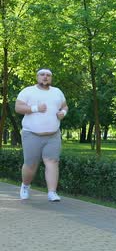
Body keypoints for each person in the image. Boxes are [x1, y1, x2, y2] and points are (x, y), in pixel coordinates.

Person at [14, 69, 68, 202]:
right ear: (37, 77)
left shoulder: (57, 92)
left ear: (51, 78)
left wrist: (63, 113)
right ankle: (25, 186)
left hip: (53, 135)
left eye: (48, 75)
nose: (45, 77)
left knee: (52, 161)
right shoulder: (28, 91)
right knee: (31, 164)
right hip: (31, 134)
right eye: (42, 75)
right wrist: (35, 108)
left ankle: (52, 192)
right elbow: (18, 107)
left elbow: (65, 106)